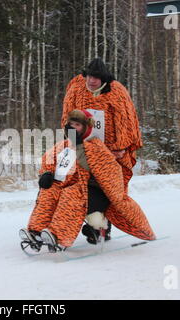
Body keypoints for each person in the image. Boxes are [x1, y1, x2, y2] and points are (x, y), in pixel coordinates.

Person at [20, 109, 155, 253]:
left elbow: (97, 167)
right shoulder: (64, 145)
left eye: (77, 125)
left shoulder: (95, 145)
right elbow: (49, 160)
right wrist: (46, 174)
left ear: (86, 127)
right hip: (71, 187)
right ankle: (35, 231)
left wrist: (79, 147)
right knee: (49, 191)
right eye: (71, 124)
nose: (73, 128)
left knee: (71, 193)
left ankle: (58, 234)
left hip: (98, 193)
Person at [61, 58, 143, 240]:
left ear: (104, 79)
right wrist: (74, 142)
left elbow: (126, 121)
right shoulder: (76, 88)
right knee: (84, 186)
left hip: (112, 150)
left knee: (110, 190)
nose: (92, 81)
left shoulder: (117, 92)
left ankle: (102, 229)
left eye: (96, 78)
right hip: (85, 148)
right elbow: (68, 118)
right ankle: (93, 225)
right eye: (89, 76)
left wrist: (120, 148)